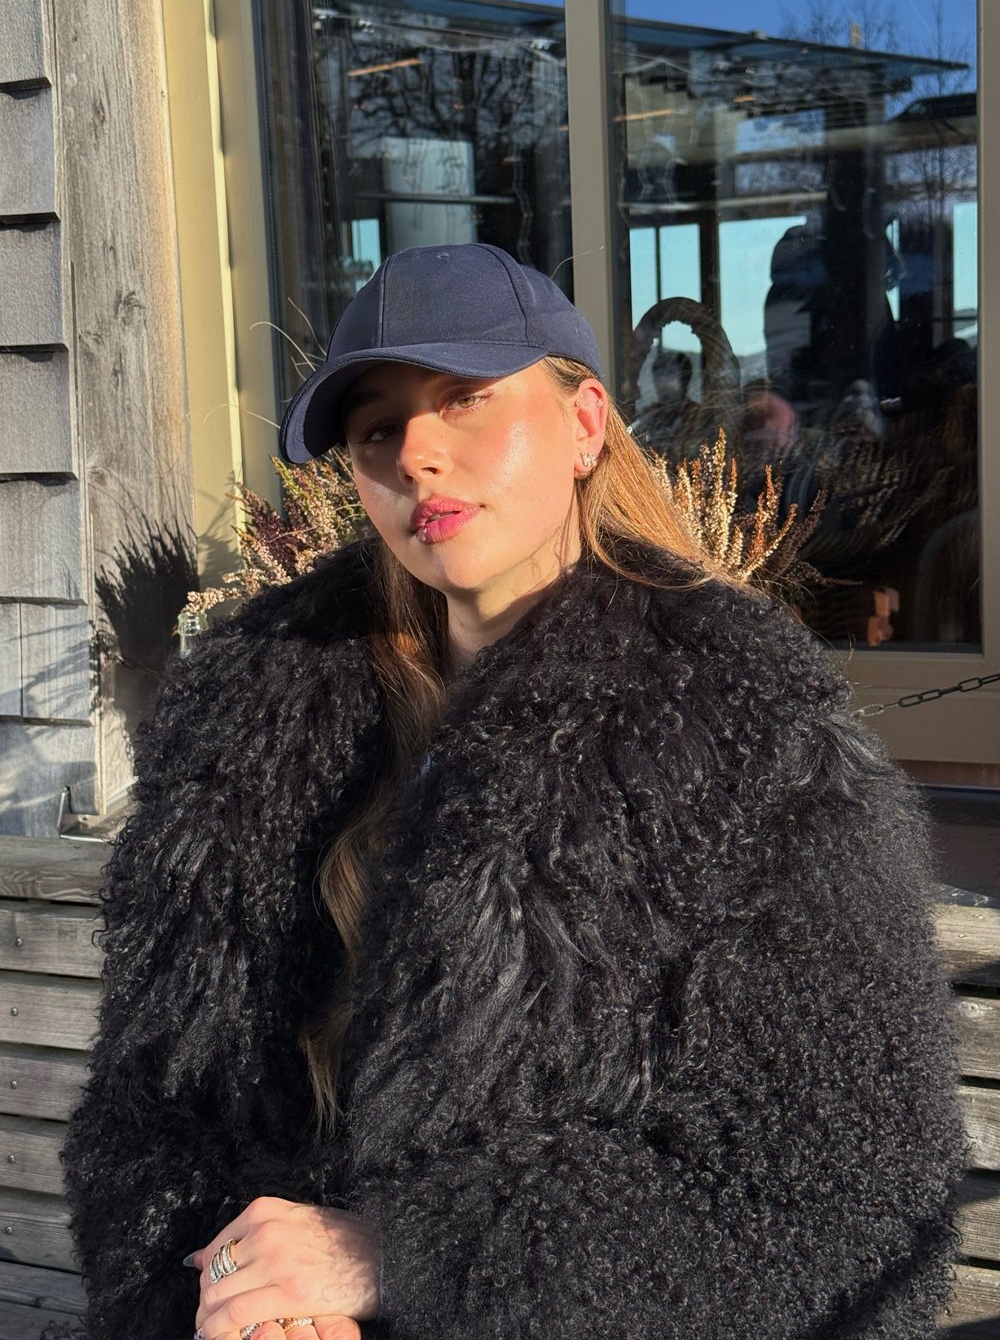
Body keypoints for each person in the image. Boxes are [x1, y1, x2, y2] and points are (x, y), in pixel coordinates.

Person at [61, 243, 967, 1340]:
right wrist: (238, 1288)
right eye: (377, 428)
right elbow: (149, 1106)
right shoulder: (251, 717)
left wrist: (397, 1258)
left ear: (585, 424)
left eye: (467, 399)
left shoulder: (739, 726)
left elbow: (839, 1189)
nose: (419, 456)